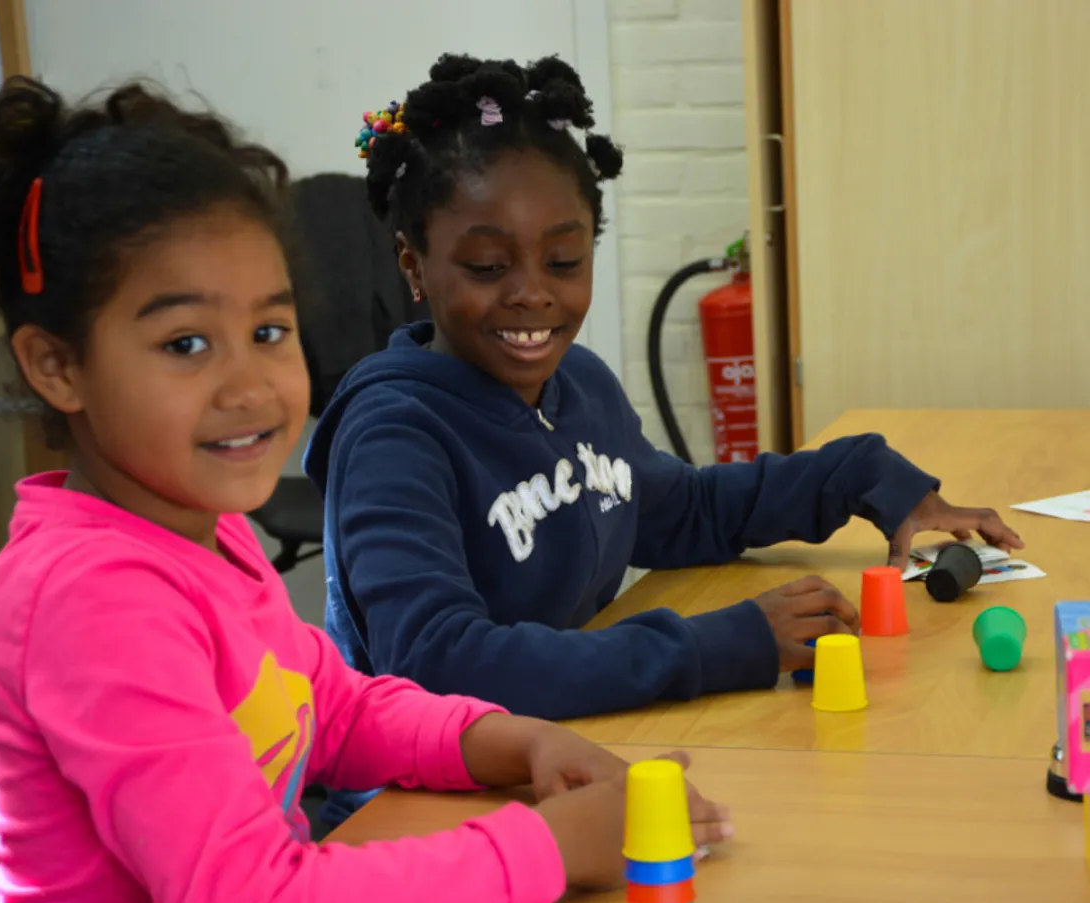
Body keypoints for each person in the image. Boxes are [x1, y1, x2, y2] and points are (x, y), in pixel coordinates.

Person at [0, 77, 731, 903]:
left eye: (270, 332)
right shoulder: (91, 599)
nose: (249, 387)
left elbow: (331, 711)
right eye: (186, 344)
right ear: (56, 366)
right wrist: (548, 849)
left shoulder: (202, 527)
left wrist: (515, 741)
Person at [305, 53, 1024, 723]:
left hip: (554, 745)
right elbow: (438, 665)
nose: (531, 294)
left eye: (563, 259)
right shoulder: (393, 436)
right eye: (488, 266)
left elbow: (686, 512)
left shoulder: (576, 384)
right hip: (408, 801)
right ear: (413, 266)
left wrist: (869, 477)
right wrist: (715, 646)